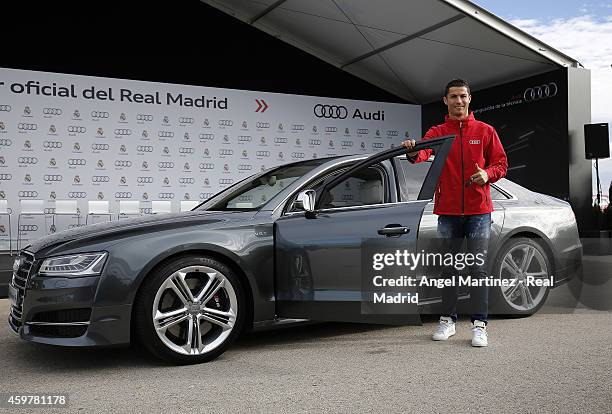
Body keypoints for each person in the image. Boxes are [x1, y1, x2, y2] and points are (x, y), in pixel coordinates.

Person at [402, 79, 507, 347]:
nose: (458, 101)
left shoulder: (485, 131)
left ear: (469, 98)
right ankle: (447, 321)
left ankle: (480, 326)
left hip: (478, 211)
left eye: (462, 96)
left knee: (477, 269)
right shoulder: (438, 131)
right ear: (445, 101)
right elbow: (423, 153)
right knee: (447, 268)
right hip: (447, 211)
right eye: (453, 97)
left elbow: (501, 164)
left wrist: (487, 174)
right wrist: (414, 151)